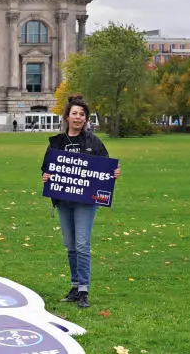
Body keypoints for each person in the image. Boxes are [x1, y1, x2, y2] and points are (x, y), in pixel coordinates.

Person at [41, 95, 120, 309]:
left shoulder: (93, 142)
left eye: (82, 114)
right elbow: (46, 169)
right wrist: (46, 177)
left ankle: (84, 289)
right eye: (74, 113)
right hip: (64, 201)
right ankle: (75, 286)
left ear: (86, 119)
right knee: (70, 246)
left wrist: (114, 173)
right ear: (67, 116)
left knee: (82, 244)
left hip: (85, 202)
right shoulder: (56, 143)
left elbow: (106, 168)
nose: (78, 118)